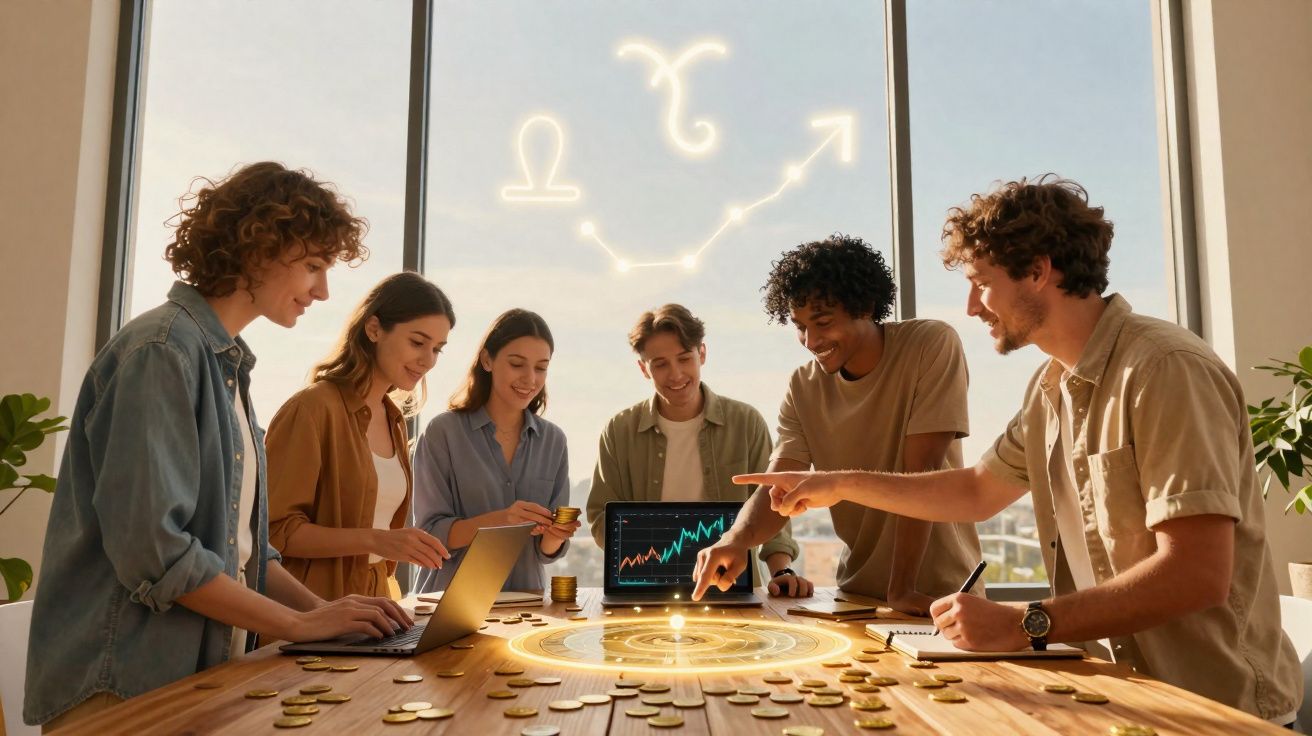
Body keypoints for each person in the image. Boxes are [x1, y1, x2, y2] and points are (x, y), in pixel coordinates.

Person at [714, 177, 1302, 725]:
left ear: (1039, 271)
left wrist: (1027, 622)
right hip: (1119, 693)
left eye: (981, 282)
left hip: (1215, 711)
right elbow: (974, 491)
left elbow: (1197, 574)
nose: (972, 306)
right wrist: (839, 483)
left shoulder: (1165, 369)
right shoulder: (1048, 390)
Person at [24, 162, 412, 731]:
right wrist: (297, 626)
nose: (323, 292)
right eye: (312, 266)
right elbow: (156, 552)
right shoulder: (161, 353)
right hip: (124, 690)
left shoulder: (225, 366)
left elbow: (245, 548)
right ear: (258, 248)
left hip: (195, 677)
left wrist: (322, 611)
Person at [690, 234, 982, 614]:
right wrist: (735, 540)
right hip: (858, 596)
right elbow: (781, 480)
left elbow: (921, 476)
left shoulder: (931, 344)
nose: (810, 340)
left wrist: (903, 589)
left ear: (863, 306)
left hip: (939, 597)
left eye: (823, 322)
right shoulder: (803, 385)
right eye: (799, 326)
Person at [585, 304, 810, 596]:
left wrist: (781, 570)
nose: (676, 374)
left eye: (684, 358)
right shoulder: (618, 431)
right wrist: (656, 554)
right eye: (660, 364)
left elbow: (772, 503)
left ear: (701, 353)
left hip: (732, 586)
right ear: (644, 369)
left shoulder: (746, 422)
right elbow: (600, 516)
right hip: (647, 590)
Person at [265, 272, 455, 601]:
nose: (428, 360)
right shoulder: (311, 410)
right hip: (310, 611)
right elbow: (273, 532)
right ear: (374, 329)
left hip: (375, 603)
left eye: (437, 349)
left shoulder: (395, 421)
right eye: (417, 342)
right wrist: (375, 540)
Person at [412, 309, 579, 593]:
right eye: (517, 364)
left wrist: (556, 536)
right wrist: (501, 520)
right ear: (487, 360)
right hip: (448, 604)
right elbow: (429, 535)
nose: (530, 379)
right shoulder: (443, 433)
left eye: (540, 368)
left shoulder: (554, 441)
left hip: (527, 605)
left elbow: (544, 552)